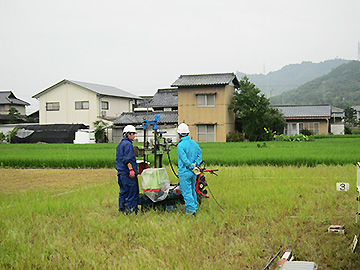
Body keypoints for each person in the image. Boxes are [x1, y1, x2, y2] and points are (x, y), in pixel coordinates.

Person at [176, 123, 202, 216]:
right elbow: (200, 157)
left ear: (179, 134)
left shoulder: (180, 146)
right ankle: (194, 207)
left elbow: (184, 160)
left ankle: (191, 211)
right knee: (192, 190)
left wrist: (190, 166)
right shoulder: (195, 144)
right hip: (194, 172)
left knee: (186, 192)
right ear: (188, 133)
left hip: (185, 172)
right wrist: (195, 165)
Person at [116, 125, 139, 214]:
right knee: (132, 192)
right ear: (128, 134)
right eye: (133, 134)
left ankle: (122, 210)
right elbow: (127, 159)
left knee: (123, 192)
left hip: (121, 173)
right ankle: (131, 211)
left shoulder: (120, 144)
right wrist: (131, 170)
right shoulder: (128, 144)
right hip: (127, 174)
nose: (134, 136)